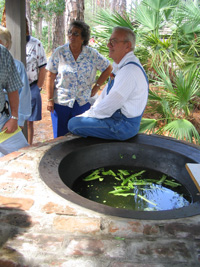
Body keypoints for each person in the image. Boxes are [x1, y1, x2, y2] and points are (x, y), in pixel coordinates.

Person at [68, 26, 149, 141]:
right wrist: (89, 113)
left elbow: (110, 105)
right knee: (82, 117)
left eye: (113, 42)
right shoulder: (120, 66)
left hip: (123, 126)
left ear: (127, 46)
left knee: (73, 124)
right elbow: (104, 97)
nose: (108, 45)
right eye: (109, 41)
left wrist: (86, 116)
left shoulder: (129, 71)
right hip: (116, 118)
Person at [46, 20, 112, 138]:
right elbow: (50, 76)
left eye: (76, 34)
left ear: (83, 38)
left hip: (82, 102)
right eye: (70, 33)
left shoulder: (92, 54)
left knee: (80, 137)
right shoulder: (60, 52)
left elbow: (108, 68)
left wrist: (97, 86)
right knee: (60, 138)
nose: (71, 36)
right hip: (61, 102)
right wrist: (50, 99)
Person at [0, 44, 29, 157]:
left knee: (24, 157)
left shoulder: (2, 53)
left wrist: (14, 117)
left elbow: (12, 88)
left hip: (2, 120)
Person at [0, 25, 31, 128]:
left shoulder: (17, 66)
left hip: (11, 118)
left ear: (6, 44)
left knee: (20, 144)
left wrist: (19, 120)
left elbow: (24, 94)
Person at [26, 19, 47, 145]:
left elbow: (42, 67)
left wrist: (38, 87)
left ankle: (28, 146)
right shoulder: (8, 43)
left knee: (29, 121)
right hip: (13, 88)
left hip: (31, 86)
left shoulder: (36, 44)